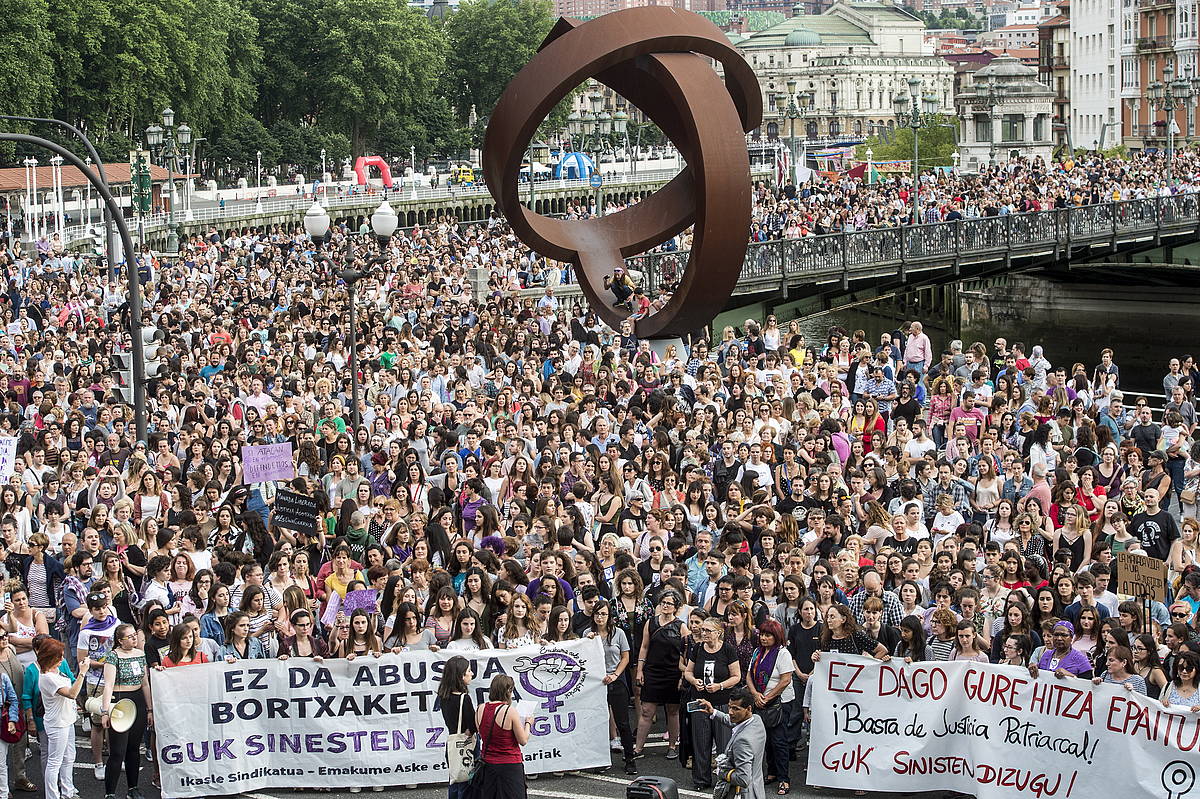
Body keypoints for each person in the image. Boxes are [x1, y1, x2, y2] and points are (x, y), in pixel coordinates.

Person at [682, 616, 738, 788]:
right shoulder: (698, 648)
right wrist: (694, 681)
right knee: (700, 742)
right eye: (703, 629)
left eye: (708, 630)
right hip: (699, 702)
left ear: (718, 633)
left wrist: (720, 686)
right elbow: (688, 672)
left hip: (721, 702)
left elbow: (736, 676)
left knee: (724, 744)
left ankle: (725, 779)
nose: (703, 632)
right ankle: (701, 779)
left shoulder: (728, 649)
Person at [634, 590, 689, 758]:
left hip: (672, 673)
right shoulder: (650, 623)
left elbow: (685, 655)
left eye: (669, 603)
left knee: (672, 711)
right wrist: (640, 670)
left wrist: (682, 676)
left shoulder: (681, 626)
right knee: (646, 710)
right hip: (652, 672)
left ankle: (672, 746)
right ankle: (638, 747)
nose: (666, 606)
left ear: (676, 607)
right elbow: (644, 647)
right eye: (663, 602)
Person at [99, 623, 151, 799]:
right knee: (118, 751)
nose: (134, 638)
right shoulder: (113, 656)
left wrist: (149, 708)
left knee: (134, 749)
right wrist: (105, 711)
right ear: (120, 641)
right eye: (129, 637)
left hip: (137, 701)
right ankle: (110, 792)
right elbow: (108, 685)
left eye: (134, 635)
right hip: (120, 702)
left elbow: (145, 683)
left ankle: (133, 788)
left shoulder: (140, 654)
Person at [745, 619, 794, 795]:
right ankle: (772, 771)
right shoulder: (758, 652)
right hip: (760, 700)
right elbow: (749, 675)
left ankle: (783, 779)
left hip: (779, 703)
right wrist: (755, 695)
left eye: (768, 635)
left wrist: (767, 697)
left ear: (776, 636)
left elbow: (785, 680)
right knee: (765, 741)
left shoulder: (782, 653)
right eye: (762, 635)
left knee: (779, 741)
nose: (764, 638)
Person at [38, 639, 91, 799]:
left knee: (69, 757)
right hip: (57, 724)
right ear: (50, 657)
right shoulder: (47, 677)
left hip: (67, 720)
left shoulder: (55, 671)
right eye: (59, 657)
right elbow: (72, 693)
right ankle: (52, 796)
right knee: (55, 761)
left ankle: (68, 791)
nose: (62, 659)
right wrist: (83, 671)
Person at [590, 600, 638, 775]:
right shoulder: (589, 634)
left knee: (622, 721)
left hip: (616, 681)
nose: (600, 617)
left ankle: (630, 757)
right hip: (597, 683)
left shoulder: (618, 633)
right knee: (598, 722)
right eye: (597, 614)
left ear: (609, 616)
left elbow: (625, 657)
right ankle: (601, 759)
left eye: (603, 614)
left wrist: (616, 675)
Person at [693, 689, 767, 799]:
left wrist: (722, 772)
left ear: (749, 709)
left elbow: (743, 778)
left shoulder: (742, 742)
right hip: (757, 790)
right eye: (729, 707)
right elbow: (731, 720)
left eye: (736, 709)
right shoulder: (756, 720)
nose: (730, 712)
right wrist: (713, 711)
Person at [475, 675, 531, 799]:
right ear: (508, 691)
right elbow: (523, 740)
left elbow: (481, 733)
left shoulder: (480, 708)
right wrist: (528, 723)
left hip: (488, 765)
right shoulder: (509, 711)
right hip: (510, 765)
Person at [437, 656, 477, 799]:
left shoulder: (443, 696)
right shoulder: (463, 698)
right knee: (467, 781)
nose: (471, 674)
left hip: (452, 744)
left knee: (454, 779)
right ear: (461, 675)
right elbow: (473, 724)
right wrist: (471, 730)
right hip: (467, 745)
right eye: (469, 671)